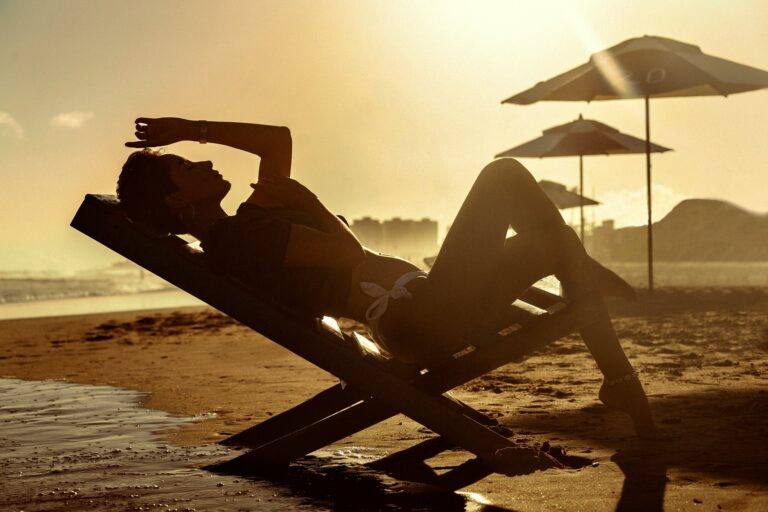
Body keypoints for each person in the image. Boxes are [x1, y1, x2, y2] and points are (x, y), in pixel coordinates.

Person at [117, 117, 661, 439]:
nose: (202, 164)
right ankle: (593, 290)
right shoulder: (238, 240)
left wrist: (193, 130)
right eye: (186, 167)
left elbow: (275, 139)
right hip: (418, 319)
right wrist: (309, 200)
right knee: (504, 176)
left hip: (429, 307)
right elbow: (346, 253)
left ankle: (621, 385)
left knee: (550, 242)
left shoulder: (249, 223)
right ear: (177, 201)